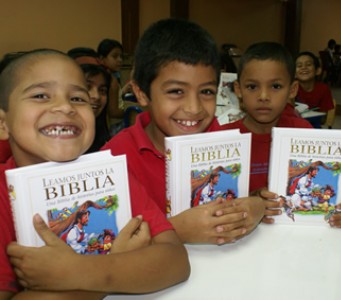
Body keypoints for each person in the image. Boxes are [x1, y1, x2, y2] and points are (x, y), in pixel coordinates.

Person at [0, 49, 190, 299]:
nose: (65, 107)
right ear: (3, 124)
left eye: (78, 99)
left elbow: (175, 262)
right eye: (40, 95)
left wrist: (78, 272)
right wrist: (122, 265)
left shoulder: (110, 176)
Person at [102, 18, 265, 245]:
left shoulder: (221, 139)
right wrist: (174, 231)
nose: (194, 108)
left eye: (207, 92)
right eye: (177, 91)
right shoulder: (113, 159)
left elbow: (241, 199)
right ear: (141, 93)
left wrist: (256, 205)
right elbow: (110, 246)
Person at [220, 42, 341, 228]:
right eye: (252, 87)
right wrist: (252, 202)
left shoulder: (302, 131)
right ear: (238, 90)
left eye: (276, 86)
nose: (263, 96)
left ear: (292, 90)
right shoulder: (225, 138)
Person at [97, 39, 126, 135]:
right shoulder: (111, 80)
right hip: (114, 127)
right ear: (102, 59)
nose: (120, 60)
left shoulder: (106, 76)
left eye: (121, 57)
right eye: (115, 56)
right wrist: (130, 110)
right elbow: (113, 112)